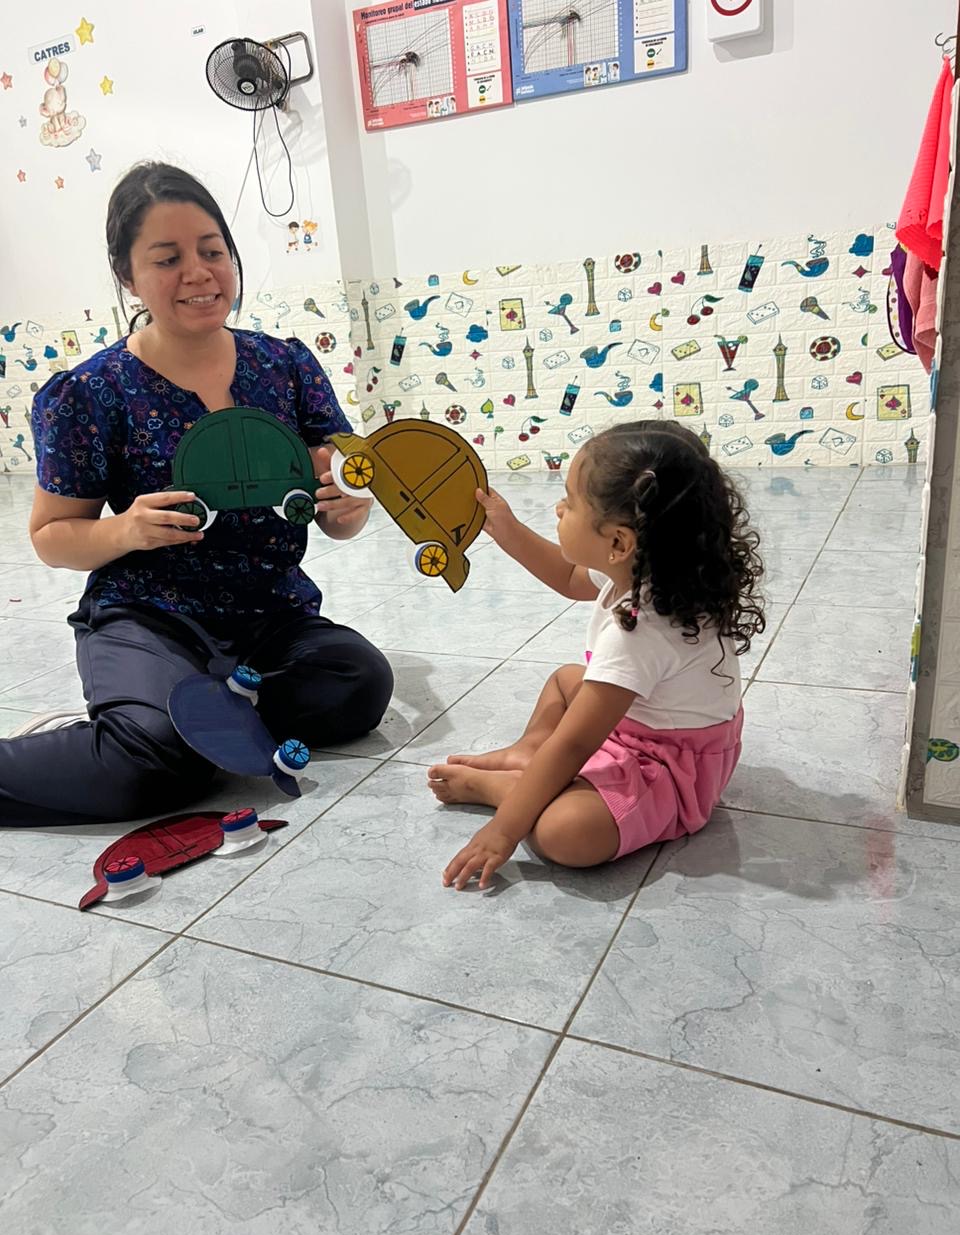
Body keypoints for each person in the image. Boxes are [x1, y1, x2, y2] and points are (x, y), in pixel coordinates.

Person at [0, 162, 393, 827]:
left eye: (213, 251)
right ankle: (165, 725)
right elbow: (51, 537)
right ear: (128, 276)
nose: (199, 273)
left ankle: (192, 718)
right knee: (145, 764)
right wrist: (125, 529)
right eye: (167, 259)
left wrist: (350, 506)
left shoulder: (285, 367)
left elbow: (340, 505)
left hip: (270, 617)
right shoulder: (91, 392)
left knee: (359, 682)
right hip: (150, 617)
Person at [429, 421, 765, 889]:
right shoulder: (656, 569)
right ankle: (527, 754)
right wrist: (506, 529)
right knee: (566, 678)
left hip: (669, 767)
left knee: (564, 832)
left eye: (570, 502)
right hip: (647, 726)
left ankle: (505, 787)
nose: (558, 508)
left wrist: (503, 830)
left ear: (619, 543)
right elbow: (569, 579)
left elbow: (573, 744)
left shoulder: (640, 631)